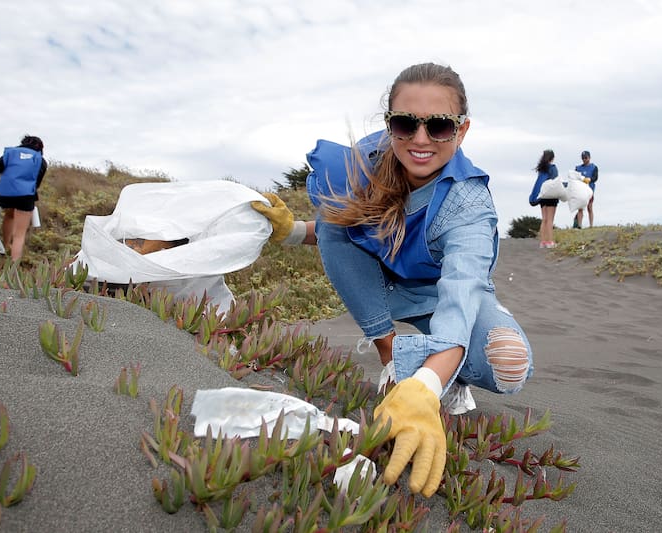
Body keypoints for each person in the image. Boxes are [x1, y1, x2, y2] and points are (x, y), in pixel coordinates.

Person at [251, 63, 533, 498]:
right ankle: (392, 362)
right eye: (405, 123)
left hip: (443, 299)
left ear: (462, 130)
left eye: (439, 127)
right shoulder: (364, 164)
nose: (420, 139)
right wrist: (291, 232)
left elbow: (461, 296)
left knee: (509, 362)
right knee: (332, 211)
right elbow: (342, 230)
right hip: (386, 290)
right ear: (389, 124)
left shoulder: (469, 203)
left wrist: (428, 386)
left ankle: (432, 374)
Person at [0, 135, 47, 260]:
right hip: (25, 195)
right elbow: (37, 182)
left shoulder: (11, 153)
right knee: (19, 234)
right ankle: (14, 265)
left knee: (9, 214)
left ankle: (6, 246)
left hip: (5, 195)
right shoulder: (39, 159)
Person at [528, 149, 559, 248]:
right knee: (550, 220)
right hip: (551, 196)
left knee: (544, 219)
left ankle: (543, 242)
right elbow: (555, 182)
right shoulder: (553, 168)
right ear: (552, 158)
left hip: (542, 196)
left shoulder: (542, 169)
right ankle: (550, 241)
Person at [573, 150, 598, 228]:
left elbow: (595, 177)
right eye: (583, 158)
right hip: (580, 190)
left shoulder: (594, 167)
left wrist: (590, 179)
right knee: (580, 208)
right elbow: (574, 178)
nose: (584, 159)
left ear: (589, 158)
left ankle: (591, 225)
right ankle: (580, 225)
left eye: (586, 158)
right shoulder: (578, 168)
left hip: (589, 190)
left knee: (589, 207)